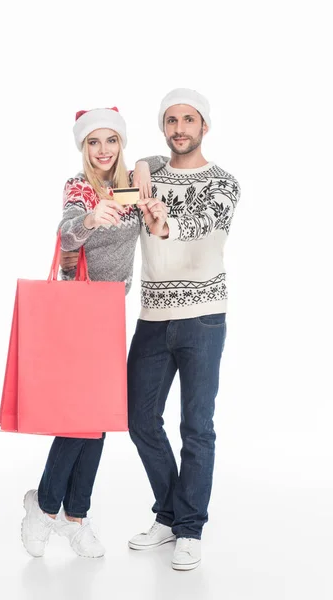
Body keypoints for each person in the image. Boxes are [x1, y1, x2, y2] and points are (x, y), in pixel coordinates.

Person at [125, 88, 241, 571]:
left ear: (204, 127)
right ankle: (170, 514)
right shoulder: (145, 178)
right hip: (153, 316)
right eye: (171, 120)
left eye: (188, 120)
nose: (179, 128)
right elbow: (135, 170)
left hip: (203, 316)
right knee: (140, 421)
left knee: (197, 427)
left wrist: (162, 222)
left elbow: (198, 222)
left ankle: (189, 527)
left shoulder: (224, 183)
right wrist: (142, 176)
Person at [22, 106, 145, 560]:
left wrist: (148, 196)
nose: (102, 150)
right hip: (79, 310)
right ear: (83, 147)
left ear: (121, 144)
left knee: (100, 416)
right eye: (93, 142)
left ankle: (74, 515)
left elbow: (154, 177)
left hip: (113, 308)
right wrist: (90, 219)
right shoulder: (79, 188)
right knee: (83, 415)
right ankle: (47, 506)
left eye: (110, 140)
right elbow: (67, 231)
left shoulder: (133, 182)